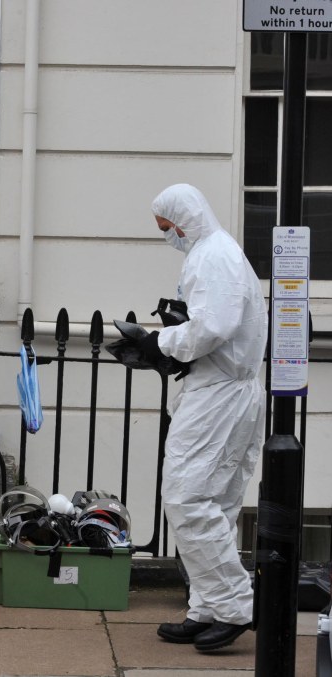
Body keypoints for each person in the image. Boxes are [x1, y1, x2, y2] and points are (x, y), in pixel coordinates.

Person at [139, 184, 267, 651]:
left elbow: (213, 327)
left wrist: (160, 342)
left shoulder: (213, 256)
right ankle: (209, 606)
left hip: (219, 395)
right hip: (227, 389)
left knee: (187, 496)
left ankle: (234, 606)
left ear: (183, 220)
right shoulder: (217, 252)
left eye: (167, 228)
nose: (167, 237)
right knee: (216, 502)